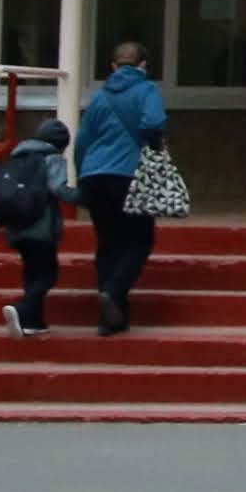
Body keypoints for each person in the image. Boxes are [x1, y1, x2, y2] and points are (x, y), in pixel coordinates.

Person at [70, 39, 172, 333]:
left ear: (114, 66)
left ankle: (111, 320)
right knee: (140, 239)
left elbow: (82, 141)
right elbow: (153, 123)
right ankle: (113, 293)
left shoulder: (99, 97)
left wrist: (82, 178)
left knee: (108, 244)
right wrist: (154, 143)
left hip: (94, 175)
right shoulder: (147, 90)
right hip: (129, 175)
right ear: (143, 65)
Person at [0, 110, 71, 334]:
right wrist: (84, 197)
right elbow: (58, 188)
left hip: (15, 226)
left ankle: (34, 321)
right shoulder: (52, 158)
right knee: (47, 274)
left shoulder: (17, 155)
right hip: (41, 228)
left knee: (31, 271)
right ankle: (22, 309)